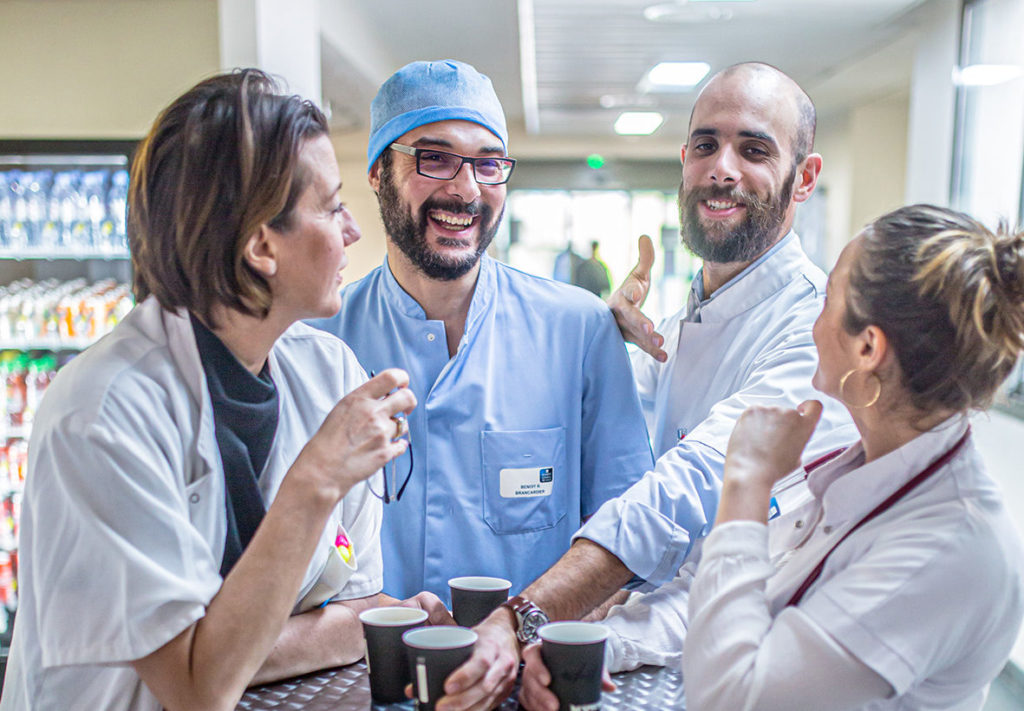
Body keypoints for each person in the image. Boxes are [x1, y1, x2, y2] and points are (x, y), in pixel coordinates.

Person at [0, 70, 448, 711]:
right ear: (262, 245)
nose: (352, 230)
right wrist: (316, 478)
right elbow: (198, 686)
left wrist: (320, 631)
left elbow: (358, 609)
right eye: (330, 205)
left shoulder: (329, 373)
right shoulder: (102, 413)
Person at [442, 62, 857, 711]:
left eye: (754, 149)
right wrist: (598, 343)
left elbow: (684, 495)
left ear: (804, 177)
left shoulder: (814, 331)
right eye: (705, 144)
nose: (722, 168)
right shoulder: (674, 326)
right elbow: (597, 442)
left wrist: (526, 618)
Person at [519, 203, 1024, 710]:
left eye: (827, 301)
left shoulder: (944, 549)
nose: (811, 325)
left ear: (869, 348)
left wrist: (747, 482)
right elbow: (716, 600)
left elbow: (736, 698)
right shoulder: (864, 468)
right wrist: (591, 647)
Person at [309, 59, 653, 603]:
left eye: (488, 165)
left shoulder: (579, 332)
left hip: (529, 678)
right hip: (363, 677)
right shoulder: (315, 345)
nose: (466, 190)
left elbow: (630, 539)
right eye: (436, 158)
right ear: (377, 173)